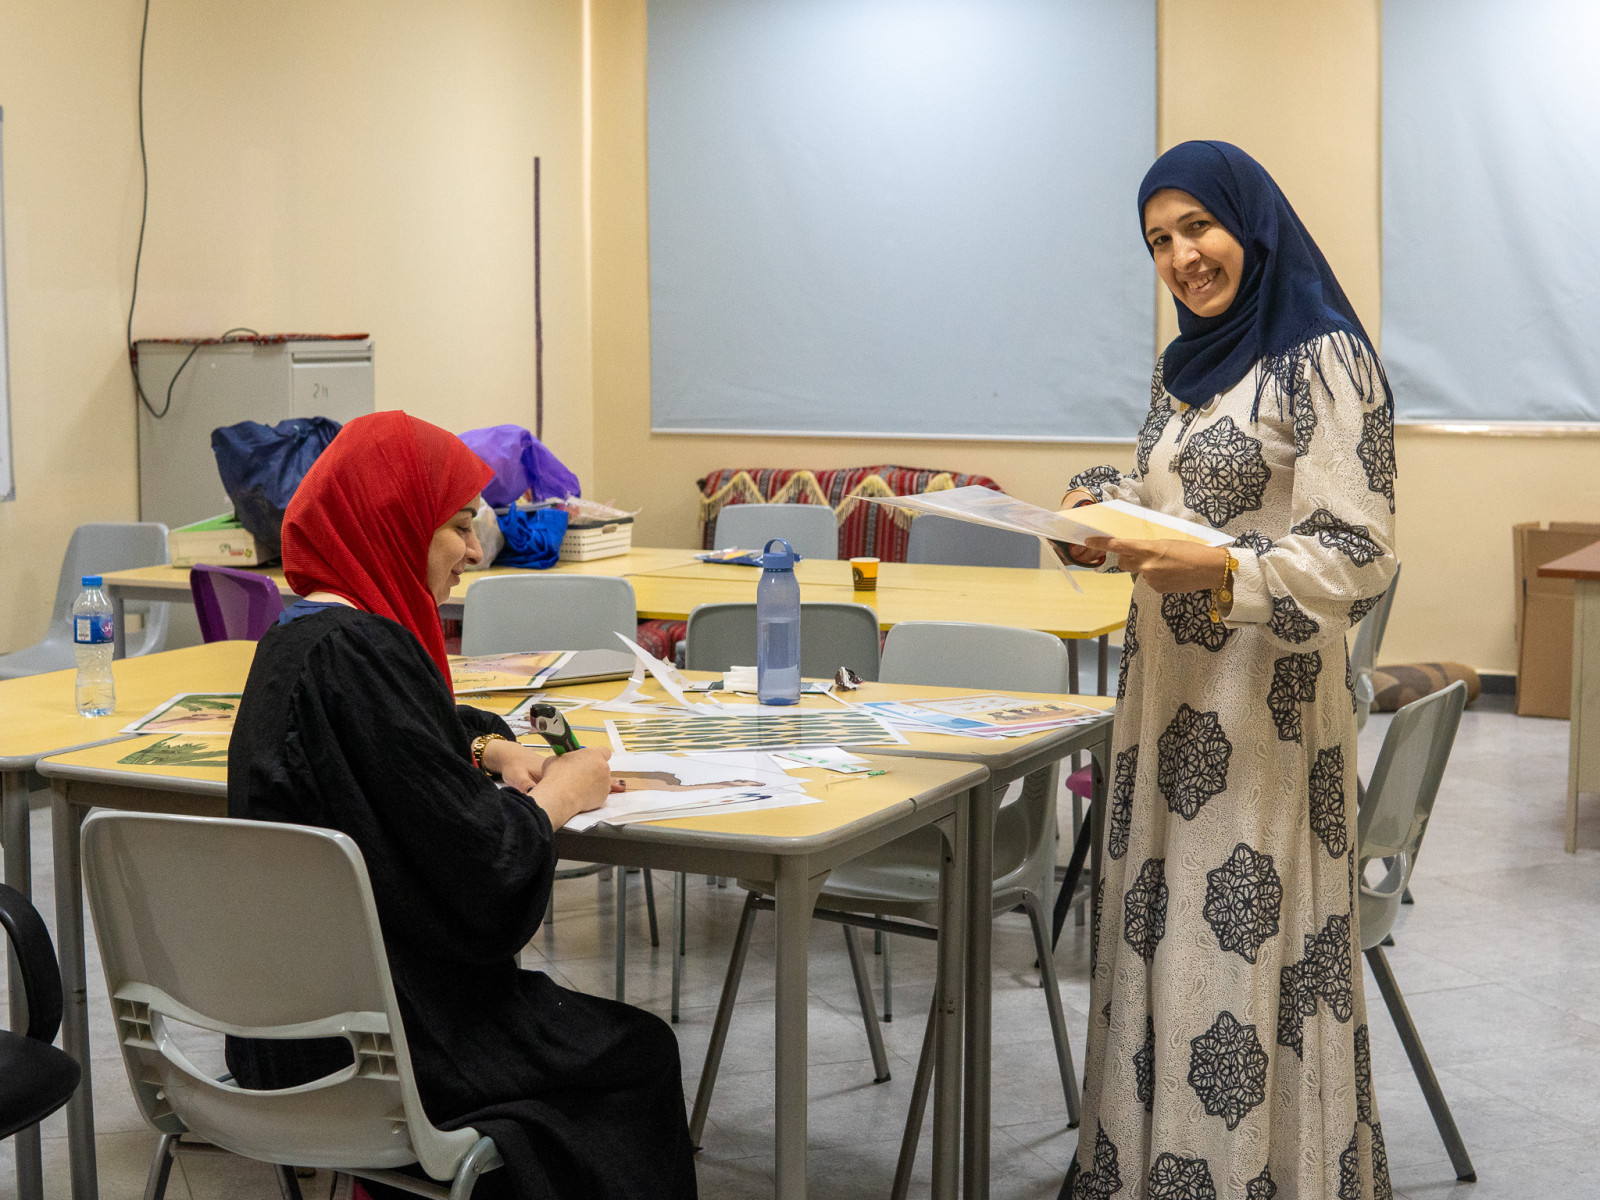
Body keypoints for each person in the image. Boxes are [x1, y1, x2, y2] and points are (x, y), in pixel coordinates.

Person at [226, 410, 699, 1200]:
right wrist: (560, 795)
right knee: (637, 1053)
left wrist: (485, 747)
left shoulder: (297, 641)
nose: (476, 551)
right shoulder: (365, 655)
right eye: (455, 525)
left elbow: (396, 744)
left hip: (282, 1037)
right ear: (393, 523)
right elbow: (487, 873)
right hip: (396, 1049)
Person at [1056, 142, 1397, 1200]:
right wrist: (1096, 505)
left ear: (1251, 224)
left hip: (1264, 714)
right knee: (1161, 941)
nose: (1181, 256)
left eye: (1197, 227)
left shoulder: (1323, 359)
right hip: (1166, 700)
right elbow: (1172, 492)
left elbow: (1359, 554)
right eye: (1158, 240)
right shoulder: (1186, 364)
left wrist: (1222, 569)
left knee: (1241, 955)